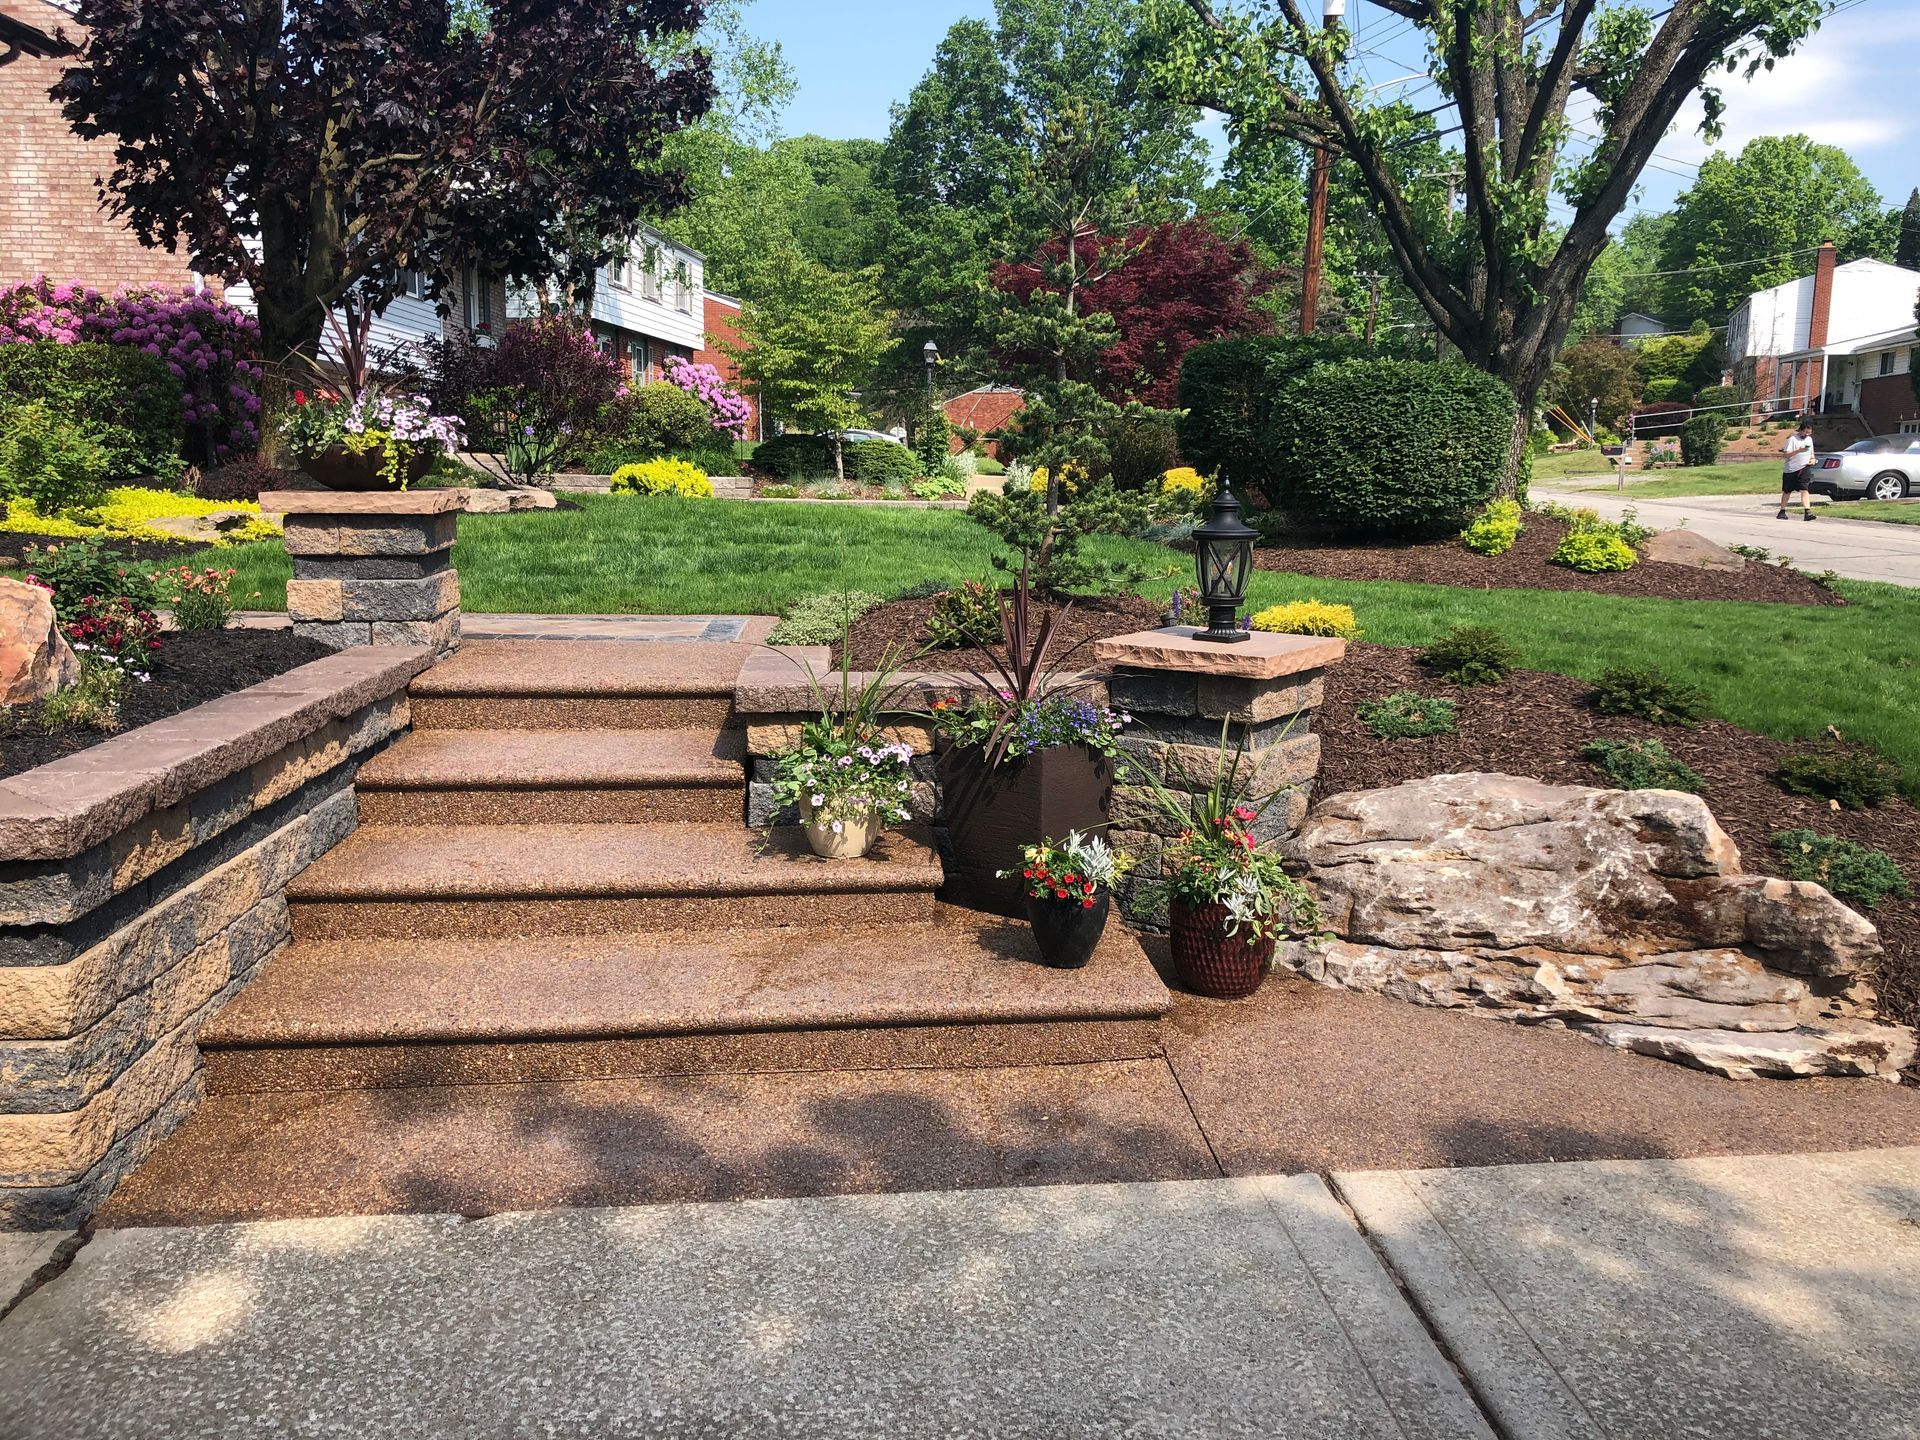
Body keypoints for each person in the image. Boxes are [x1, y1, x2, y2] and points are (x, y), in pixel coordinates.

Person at [1779, 419, 1817, 521]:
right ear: (1801, 430)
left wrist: (1813, 459)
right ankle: (1782, 511)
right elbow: (1786, 455)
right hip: (1791, 469)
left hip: (1804, 467)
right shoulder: (1792, 439)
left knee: (1805, 489)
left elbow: (1811, 453)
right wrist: (1798, 451)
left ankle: (1807, 512)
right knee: (1787, 491)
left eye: (1809, 432)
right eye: (1806, 432)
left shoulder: (1809, 439)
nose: (1807, 434)